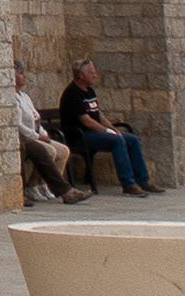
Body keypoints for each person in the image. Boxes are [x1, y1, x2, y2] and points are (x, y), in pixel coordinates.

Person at [59, 59, 157, 195]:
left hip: (95, 133)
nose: (95, 75)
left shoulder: (89, 91)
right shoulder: (72, 94)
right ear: (81, 75)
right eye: (91, 72)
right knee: (117, 141)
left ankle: (142, 181)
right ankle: (128, 184)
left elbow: (98, 115)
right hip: (80, 136)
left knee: (131, 139)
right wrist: (107, 132)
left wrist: (114, 129)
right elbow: (86, 121)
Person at [16, 64, 86, 203]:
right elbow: (18, 125)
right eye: (20, 73)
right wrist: (37, 136)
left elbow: (36, 118)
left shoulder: (24, 96)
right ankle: (35, 186)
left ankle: (44, 185)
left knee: (63, 150)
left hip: (35, 135)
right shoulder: (13, 99)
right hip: (25, 138)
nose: (25, 76)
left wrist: (43, 133)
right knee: (48, 150)